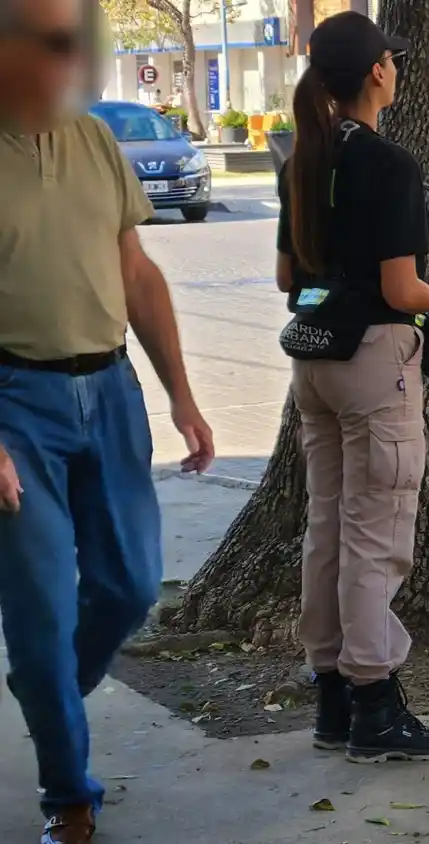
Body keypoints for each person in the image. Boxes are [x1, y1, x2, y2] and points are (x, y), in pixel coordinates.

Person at [0, 0, 216, 840]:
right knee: (43, 614)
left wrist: (183, 396)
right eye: (57, 44)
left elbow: (137, 273)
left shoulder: (94, 139)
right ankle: (70, 799)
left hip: (112, 391)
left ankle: (45, 689)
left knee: (128, 586)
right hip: (17, 406)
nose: (74, 61)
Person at [275, 10, 429, 764]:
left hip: (314, 362)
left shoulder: (304, 160)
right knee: (375, 538)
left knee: (328, 527)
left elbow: (289, 278)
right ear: (378, 73)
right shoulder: (391, 166)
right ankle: (376, 706)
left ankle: (332, 698)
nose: (396, 68)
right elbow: (401, 286)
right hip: (375, 359)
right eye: (393, 60)